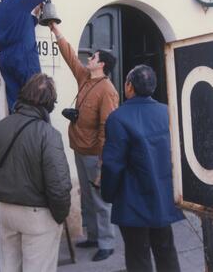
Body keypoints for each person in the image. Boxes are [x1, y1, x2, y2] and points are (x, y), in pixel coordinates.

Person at [0, 73, 72, 272]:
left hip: (6, 210)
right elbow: (59, 186)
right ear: (49, 103)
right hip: (37, 215)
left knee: (9, 267)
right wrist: (60, 216)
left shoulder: (0, 127)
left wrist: (0, 201)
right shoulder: (48, 134)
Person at [101, 65, 184, 272]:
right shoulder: (167, 112)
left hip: (132, 200)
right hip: (163, 196)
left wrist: (107, 194)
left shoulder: (118, 118)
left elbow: (112, 165)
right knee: (166, 250)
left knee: (138, 257)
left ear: (129, 86)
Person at [49, 22, 119, 262]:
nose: (89, 58)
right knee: (88, 197)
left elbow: (106, 127)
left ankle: (107, 243)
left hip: (94, 153)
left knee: (99, 200)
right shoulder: (85, 78)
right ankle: (93, 236)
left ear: (102, 65)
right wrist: (56, 31)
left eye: (94, 57)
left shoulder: (107, 90)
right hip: (79, 147)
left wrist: (102, 159)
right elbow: (69, 56)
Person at [0, 0, 54, 112]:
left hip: (5, 59)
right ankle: (38, 131)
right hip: (23, 55)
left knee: (15, 103)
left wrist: (36, 16)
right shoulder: (19, 1)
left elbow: (20, 26)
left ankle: (17, 131)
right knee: (37, 97)